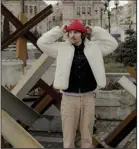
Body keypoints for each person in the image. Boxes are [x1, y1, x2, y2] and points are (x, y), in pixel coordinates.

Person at [37, 19, 118, 148]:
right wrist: (59, 31)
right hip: (69, 98)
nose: (72, 35)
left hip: (88, 97)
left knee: (87, 136)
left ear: (82, 34)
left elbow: (112, 44)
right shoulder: (61, 48)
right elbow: (41, 43)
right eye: (70, 32)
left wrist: (96, 31)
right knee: (68, 137)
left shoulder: (94, 47)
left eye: (76, 32)